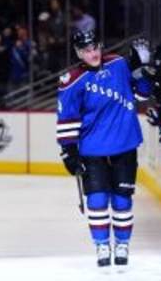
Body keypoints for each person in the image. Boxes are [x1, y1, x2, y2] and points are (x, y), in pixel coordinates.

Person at [56, 30, 152, 267]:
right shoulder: (72, 80)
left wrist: (143, 69)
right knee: (97, 201)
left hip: (125, 145)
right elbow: (67, 118)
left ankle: (122, 244)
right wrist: (69, 151)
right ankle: (101, 246)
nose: (93, 53)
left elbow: (143, 95)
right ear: (79, 53)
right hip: (92, 150)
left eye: (95, 48)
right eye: (86, 50)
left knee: (122, 201)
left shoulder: (119, 64)